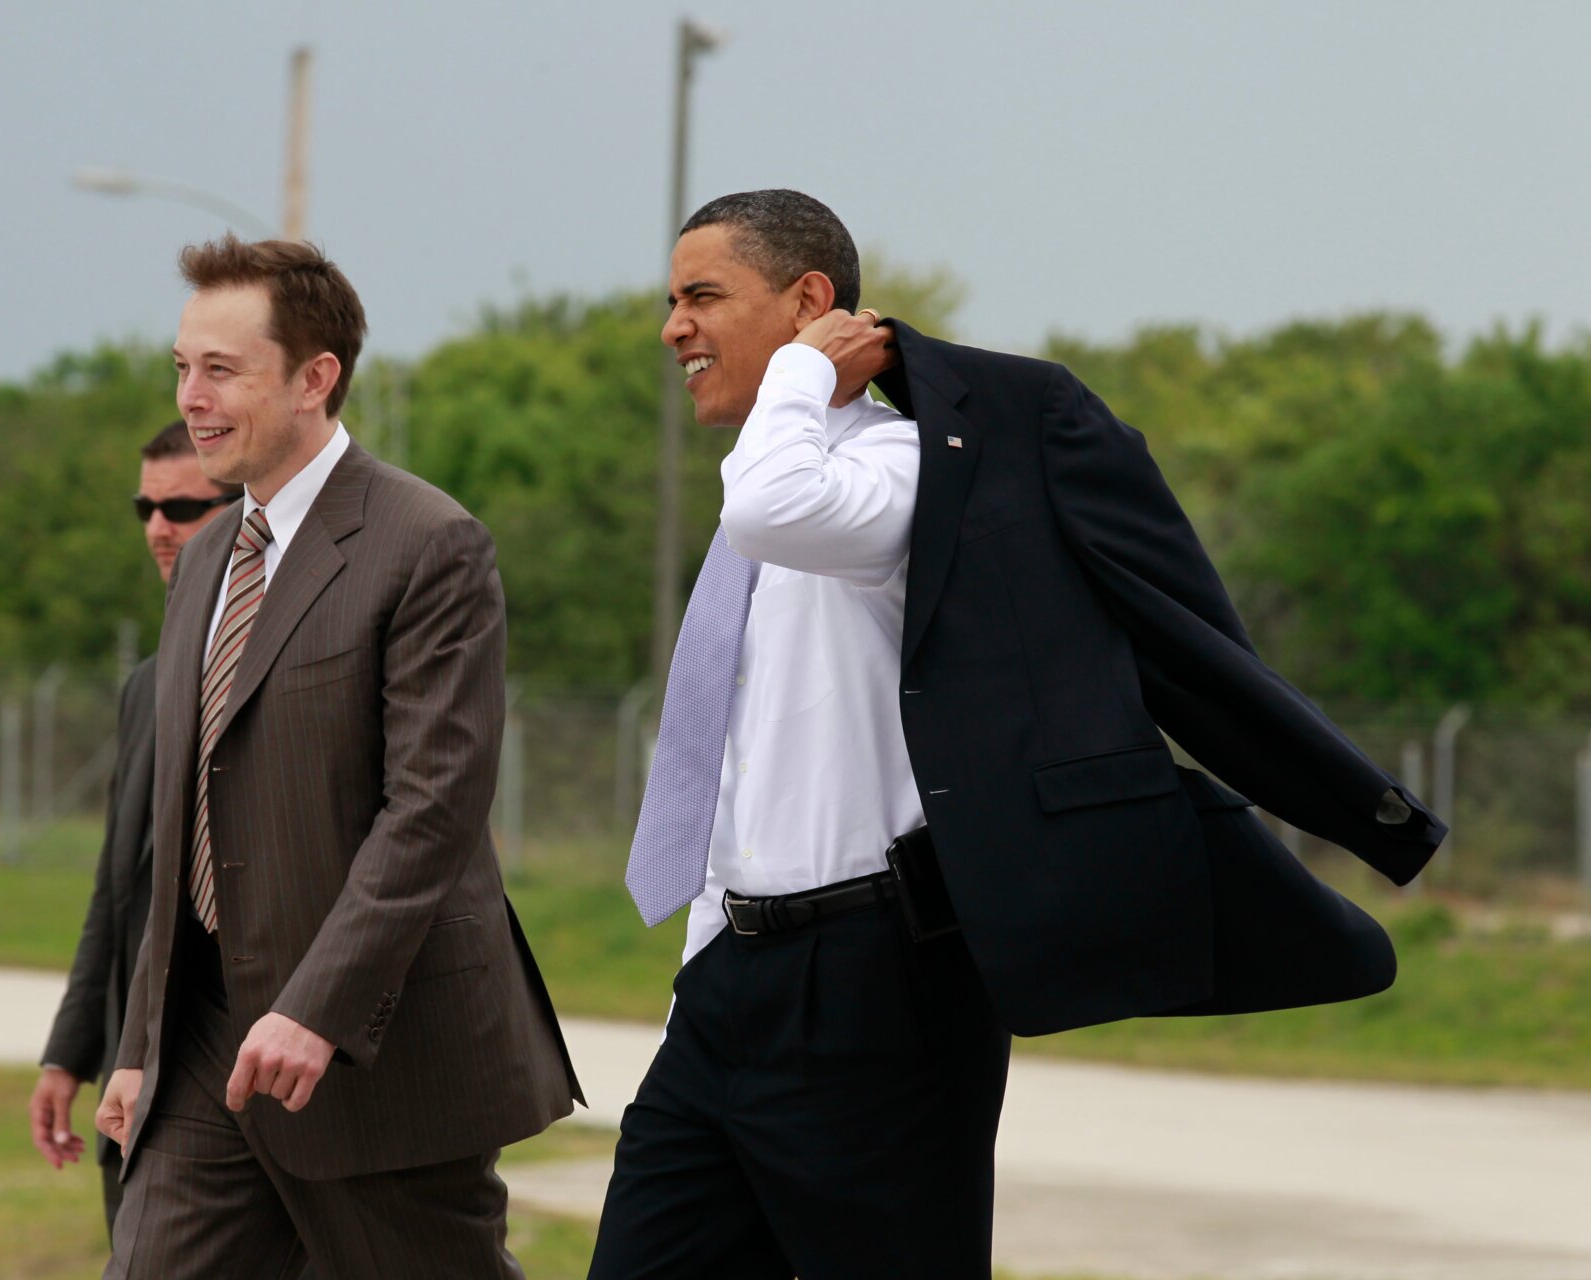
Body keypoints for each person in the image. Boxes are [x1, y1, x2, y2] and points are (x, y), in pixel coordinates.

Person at [590, 189, 1445, 1279]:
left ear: (810, 300)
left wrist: (809, 372)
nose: (673, 327)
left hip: (877, 985)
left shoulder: (901, 471)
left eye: (702, 296)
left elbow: (775, 505)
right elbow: (748, 771)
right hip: (729, 983)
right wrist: (699, 976)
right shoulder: (774, 477)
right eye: (671, 301)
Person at [94, 235, 579, 1279]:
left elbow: (434, 806)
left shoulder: (428, 542)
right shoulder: (209, 558)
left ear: (317, 377)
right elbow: (184, 819)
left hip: (374, 1047)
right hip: (206, 1041)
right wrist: (140, 1039)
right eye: (182, 366)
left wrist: (318, 1005)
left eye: (222, 369)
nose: (192, 397)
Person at [28, 418, 240, 1236]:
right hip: (136, 1079)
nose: (158, 528)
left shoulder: (291, 664)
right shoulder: (147, 682)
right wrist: (69, 1051)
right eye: (144, 507)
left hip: (235, 1080)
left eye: (183, 506)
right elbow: (118, 892)